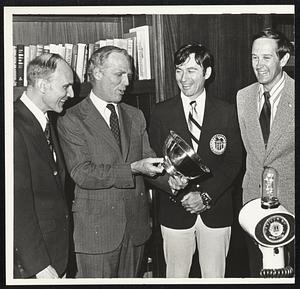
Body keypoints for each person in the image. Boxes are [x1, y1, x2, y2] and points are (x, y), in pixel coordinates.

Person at [57, 46, 164, 278]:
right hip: (97, 233)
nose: (126, 83)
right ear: (96, 73)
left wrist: (174, 178)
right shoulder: (71, 119)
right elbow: (83, 173)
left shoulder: (136, 116)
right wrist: (133, 168)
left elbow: (150, 160)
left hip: (136, 230)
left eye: (129, 76)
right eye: (119, 75)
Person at [149, 43, 243, 278]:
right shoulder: (160, 113)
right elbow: (153, 162)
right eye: (179, 70)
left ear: (207, 73)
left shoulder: (227, 111)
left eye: (191, 70)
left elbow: (234, 162)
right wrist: (174, 188)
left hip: (216, 211)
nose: (183, 78)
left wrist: (205, 196)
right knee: (175, 278)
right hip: (174, 212)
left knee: (215, 278)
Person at [236, 28, 294, 277]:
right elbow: (250, 151)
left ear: (284, 59)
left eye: (266, 57)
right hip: (253, 209)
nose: (258, 65)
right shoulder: (243, 97)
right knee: (256, 273)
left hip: (291, 207)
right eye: (254, 57)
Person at [14, 53, 74, 278]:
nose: (71, 94)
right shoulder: (14, 127)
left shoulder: (46, 120)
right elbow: (16, 206)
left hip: (56, 256)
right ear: (42, 85)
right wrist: (39, 265)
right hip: (34, 265)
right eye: (66, 86)